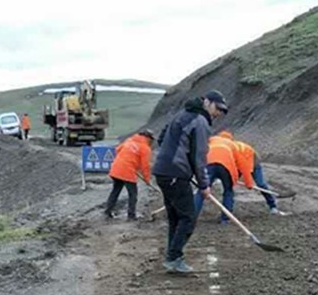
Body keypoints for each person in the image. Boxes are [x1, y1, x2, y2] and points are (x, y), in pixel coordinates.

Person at [152, 90, 228, 273]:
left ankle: (172, 256)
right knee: (188, 217)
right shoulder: (200, 122)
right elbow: (199, 157)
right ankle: (174, 258)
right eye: (217, 108)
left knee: (176, 218)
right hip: (175, 174)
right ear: (207, 102)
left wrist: (174, 157)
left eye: (222, 110)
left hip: (164, 171)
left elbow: (162, 138)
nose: (218, 113)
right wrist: (204, 184)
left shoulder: (182, 114)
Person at [194, 132, 254, 223]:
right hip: (226, 167)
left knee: (202, 190)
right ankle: (225, 219)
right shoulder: (232, 145)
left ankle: (192, 217)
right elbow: (243, 166)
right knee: (228, 191)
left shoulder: (211, 140)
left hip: (209, 164)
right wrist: (249, 183)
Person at [220, 131, 284, 215]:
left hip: (253, 162)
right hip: (240, 164)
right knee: (229, 185)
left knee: (261, 184)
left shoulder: (237, 148)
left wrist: (248, 182)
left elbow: (245, 168)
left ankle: (273, 206)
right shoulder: (224, 150)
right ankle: (227, 212)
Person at [104, 128, 154, 221]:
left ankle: (107, 212)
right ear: (148, 138)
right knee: (133, 194)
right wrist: (147, 179)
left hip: (116, 169)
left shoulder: (129, 141)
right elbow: (145, 166)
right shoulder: (145, 148)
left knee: (115, 191)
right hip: (127, 171)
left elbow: (117, 150)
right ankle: (131, 215)